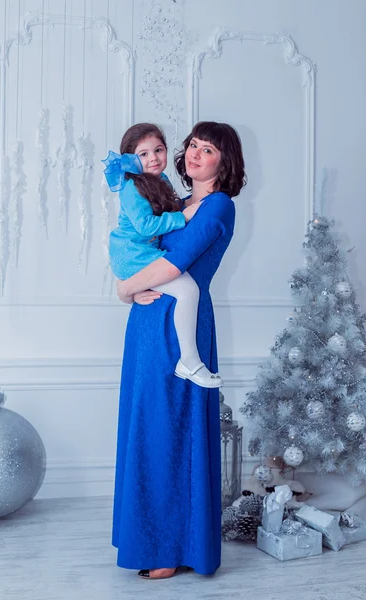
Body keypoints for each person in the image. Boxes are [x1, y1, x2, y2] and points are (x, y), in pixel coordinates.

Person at [113, 121, 246, 579]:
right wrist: (130, 290)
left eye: (207, 149)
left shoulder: (217, 206)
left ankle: (168, 547)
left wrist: (123, 288)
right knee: (147, 427)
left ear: (223, 162)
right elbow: (135, 242)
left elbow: (172, 266)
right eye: (192, 145)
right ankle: (147, 540)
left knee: (169, 431)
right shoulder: (172, 198)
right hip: (147, 329)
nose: (194, 154)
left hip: (179, 331)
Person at [102, 123, 222, 388]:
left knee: (183, 289)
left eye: (158, 150)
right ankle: (189, 361)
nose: (153, 158)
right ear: (131, 159)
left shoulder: (162, 181)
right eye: (143, 154)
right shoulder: (131, 187)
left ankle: (188, 359)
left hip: (143, 252)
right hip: (132, 254)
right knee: (188, 290)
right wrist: (182, 217)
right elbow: (146, 226)